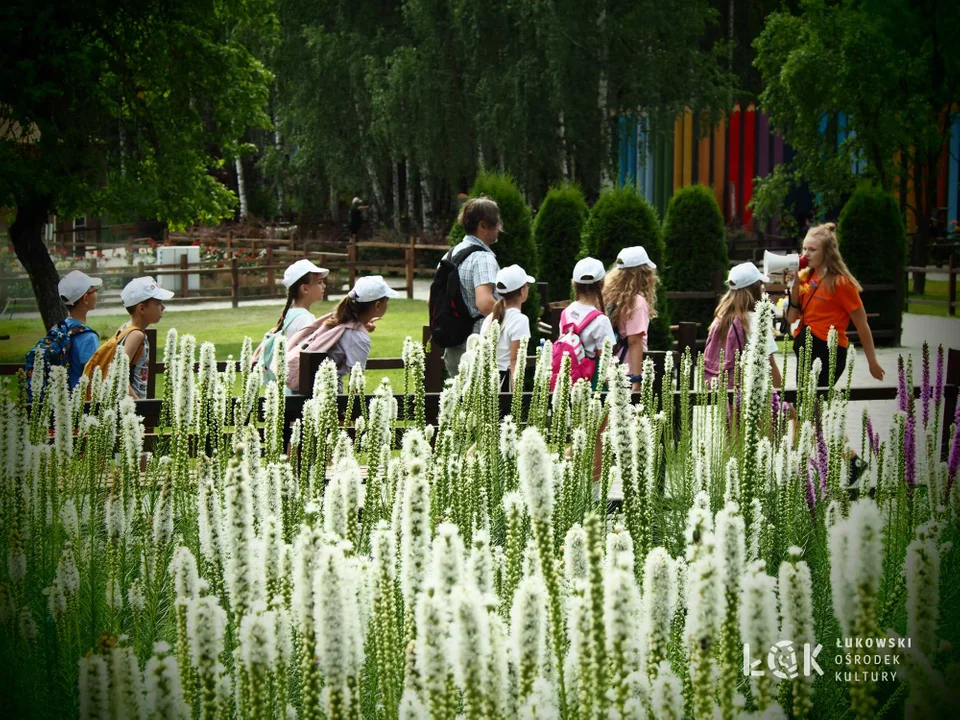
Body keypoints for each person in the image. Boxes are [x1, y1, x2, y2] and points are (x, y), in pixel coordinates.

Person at [784, 222, 885, 387]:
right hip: (804, 348)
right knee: (804, 407)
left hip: (828, 351)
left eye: (812, 250)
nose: (806, 254)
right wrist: (794, 288)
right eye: (804, 249)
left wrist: (872, 362)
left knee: (811, 406)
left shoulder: (841, 283)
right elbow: (791, 318)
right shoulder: (804, 278)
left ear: (827, 253)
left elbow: (862, 323)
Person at [441, 197, 502, 377]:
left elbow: (432, 300)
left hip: (453, 348)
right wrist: (510, 319)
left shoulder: (450, 254)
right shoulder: (483, 258)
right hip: (476, 349)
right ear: (483, 225)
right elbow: (485, 304)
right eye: (496, 222)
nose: (499, 227)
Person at [703, 262, 783, 390]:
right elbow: (770, 363)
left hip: (722, 387)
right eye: (761, 285)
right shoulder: (754, 320)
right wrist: (786, 400)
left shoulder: (722, 318)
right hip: (748, 390)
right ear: (756, 288)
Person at [252, 259, 328, 383]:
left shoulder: (290, 314)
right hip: (298, 387)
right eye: (319, 282)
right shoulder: (305, 319)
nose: (324, 286)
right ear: (305, 289)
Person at [323, 275, 397, 391]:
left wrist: (362, 326)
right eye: (387, 301)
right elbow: (355, 384)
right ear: (378, 305)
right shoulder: (359, 337)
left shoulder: (342, 320)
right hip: (327, 393)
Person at [604, 246, 658, 392]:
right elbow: (634, 341)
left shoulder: (609, 297)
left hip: (610, 369)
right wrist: (637, 379)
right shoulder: (637, 302)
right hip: (627, 371)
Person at [557, 257, 615, 388]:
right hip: (592, 384)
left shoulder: (566, 313)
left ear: (574, 284)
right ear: (602, 284)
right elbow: (606, 362)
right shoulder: (601, 321)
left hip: (568, 382)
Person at [480, 264, 535, 391]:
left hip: (487, 381)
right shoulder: (520, 320)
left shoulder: (489, 318)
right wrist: (517, 397)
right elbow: (515, 360)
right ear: (522, 291)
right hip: (505, 383)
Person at [117, 277, 174, 399]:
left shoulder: (125, 328)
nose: (163, 308)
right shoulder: (136, 335)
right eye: (158, 303)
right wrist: (140, 408)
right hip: (131, 408)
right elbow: (119, 377)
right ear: (142, 309)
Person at [58, 270, 102, 388]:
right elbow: (93, 380)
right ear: (86, 298)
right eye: (94, 290)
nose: (96, 293)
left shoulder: (61, 328)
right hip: (79, 403)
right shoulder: (88, 337)